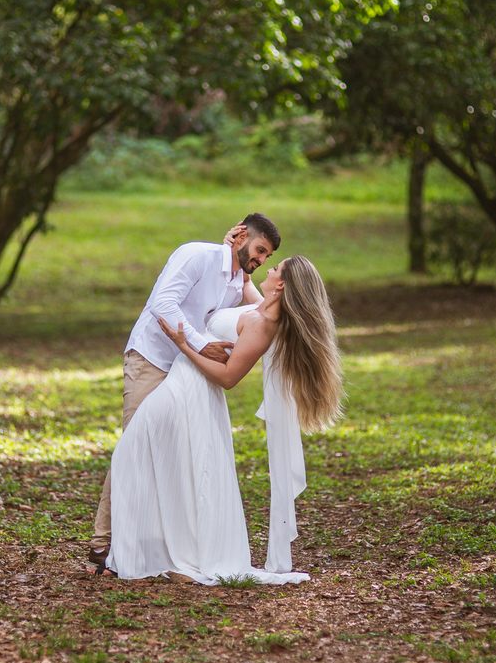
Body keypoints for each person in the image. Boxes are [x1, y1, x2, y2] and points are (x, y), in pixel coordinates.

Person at [106, 255, 343, 585]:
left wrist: (184, 345)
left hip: (191, 390)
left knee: (130, 452)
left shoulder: (264, 325)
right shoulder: (263, 308)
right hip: (182, 383)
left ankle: (173, 555)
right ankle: (168, 553)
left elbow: (229, 377)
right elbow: (243, 280)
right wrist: (232, 246)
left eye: (274, 268)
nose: (267, 268)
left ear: (282, 284)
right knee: (167, 466)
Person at [87, 214, 282, 575]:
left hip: (186, 375)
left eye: (266, 257)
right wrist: (202, 343)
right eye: (258, 250)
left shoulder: (238, 280)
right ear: (240, 235)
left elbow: (265, 308)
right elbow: (163, 305)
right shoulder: (196, 256)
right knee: (135, 445)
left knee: (171, 454)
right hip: (152, 359)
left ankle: (154, 542)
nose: (260, 260)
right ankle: (104, 543)